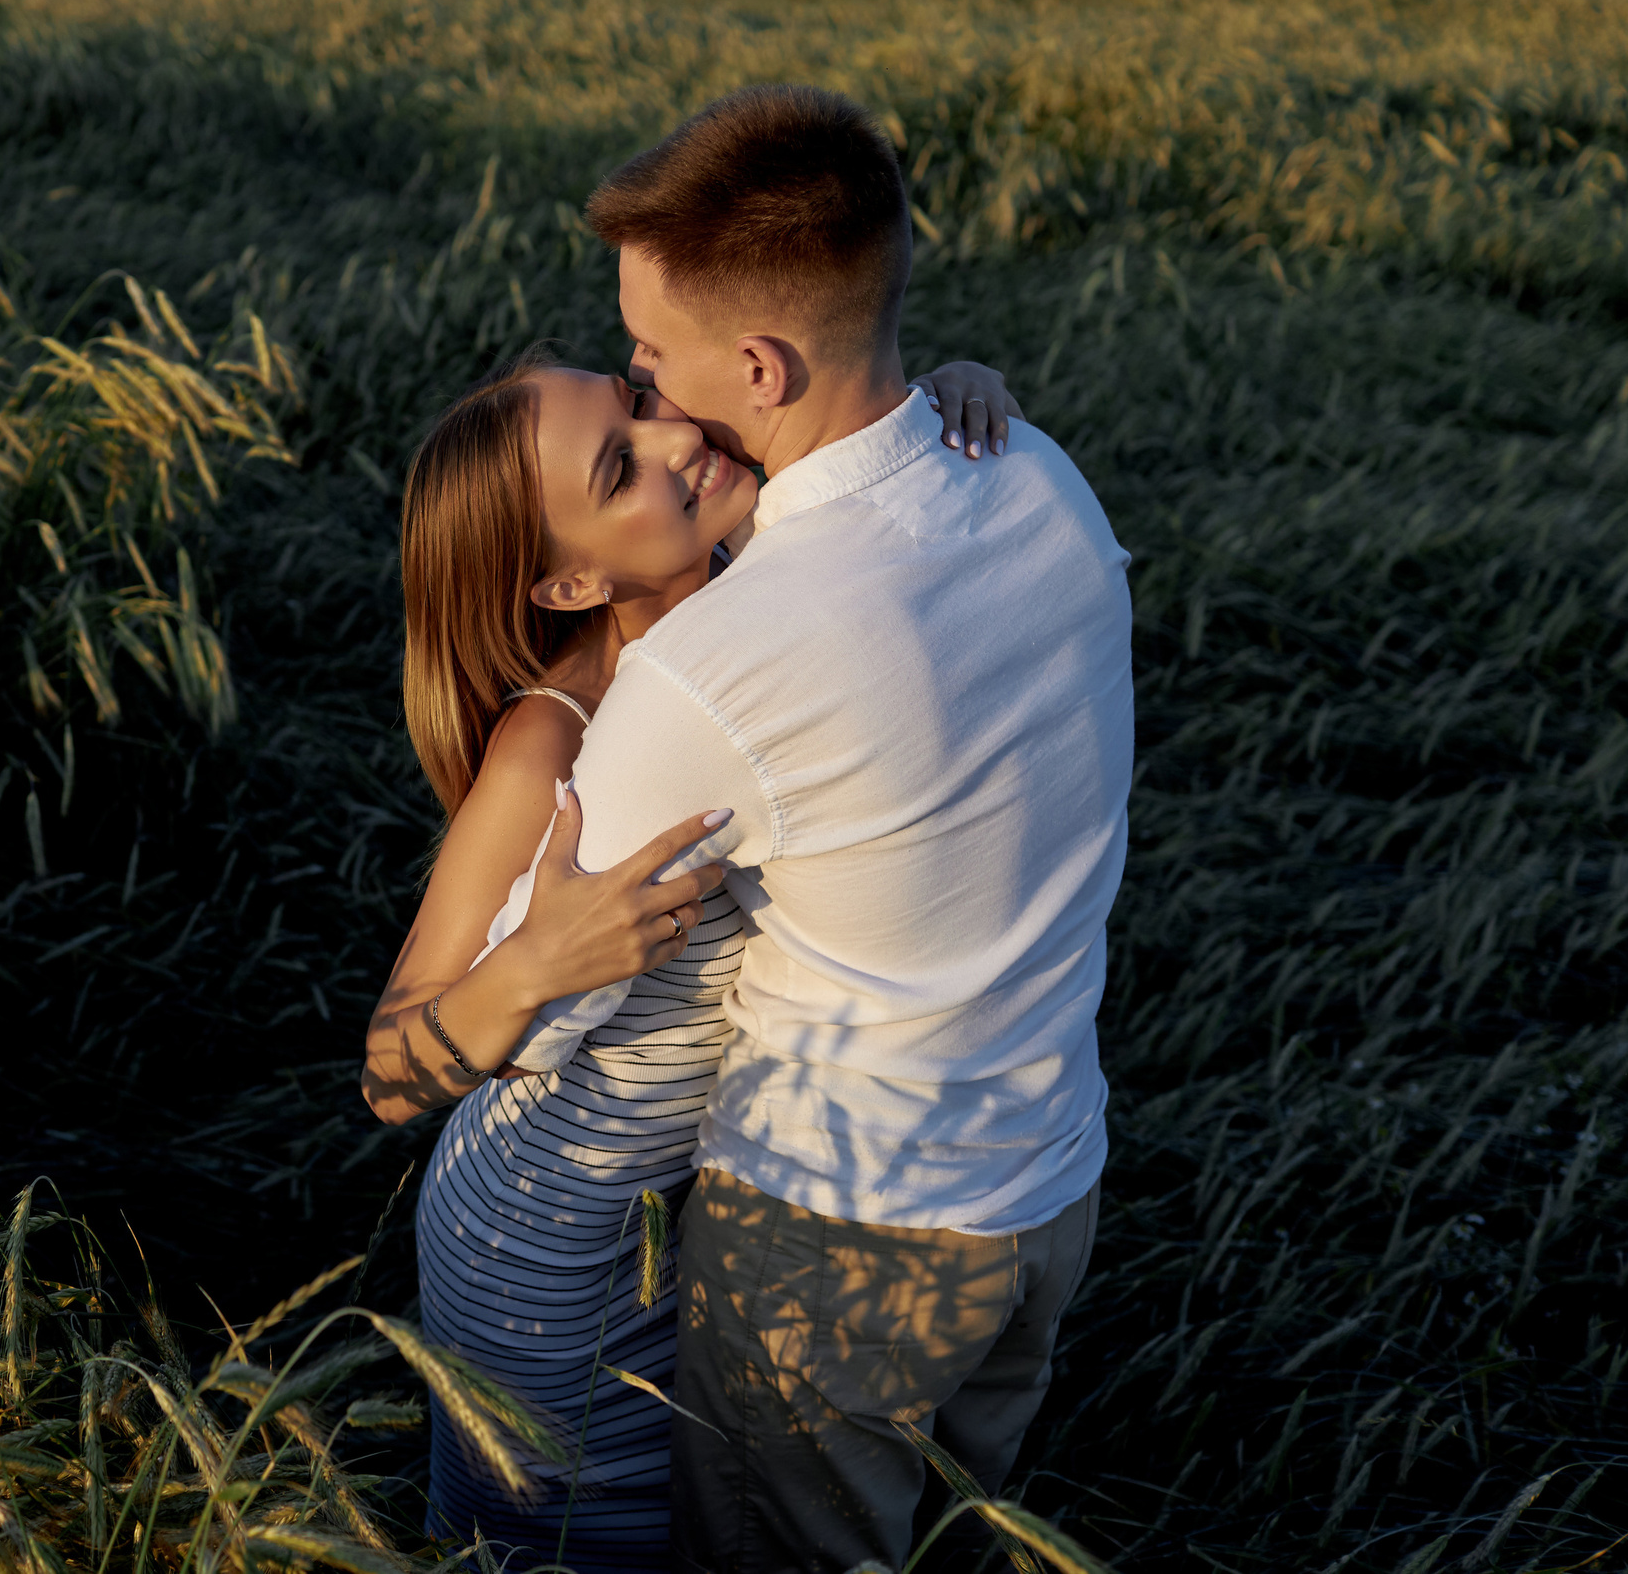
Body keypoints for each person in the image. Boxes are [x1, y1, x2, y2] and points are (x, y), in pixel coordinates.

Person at [562, 85, 1135, 1573]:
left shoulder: (716, 665)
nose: (643, 391)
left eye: (648, 361)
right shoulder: (1039, 471)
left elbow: (552, 1011)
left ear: (755, 363)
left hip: (839, 1236)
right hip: (1046, 1186)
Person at [362, 336, 1024, 1565]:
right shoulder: (551, 734)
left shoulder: (759, 566)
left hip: (693, 1220)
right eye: (621, 467)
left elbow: (859, 462)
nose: (679, 440)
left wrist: (947, 394)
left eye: (638, 405)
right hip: (544, 1245)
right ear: (565, 584)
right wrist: (538, 964)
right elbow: (390, 1073)